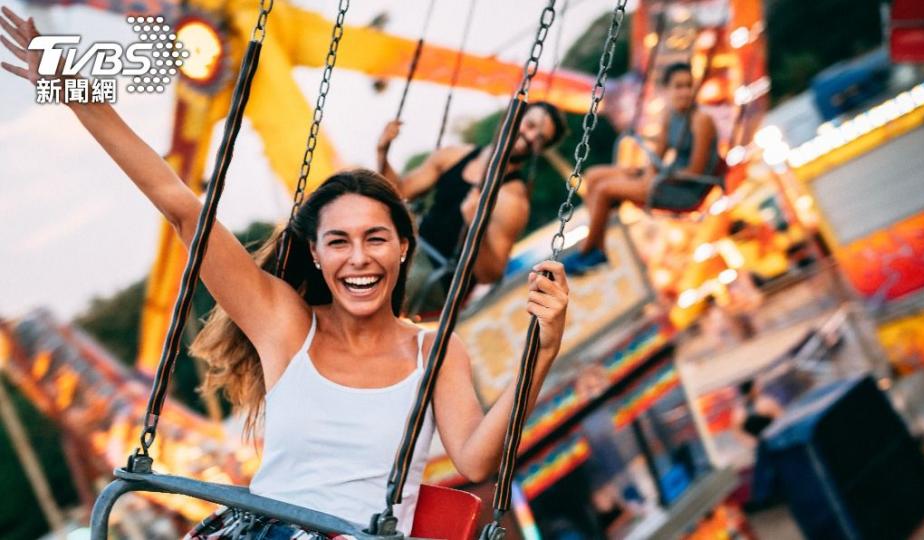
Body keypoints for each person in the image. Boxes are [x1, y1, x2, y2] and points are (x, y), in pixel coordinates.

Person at [1, 8, 570, 538]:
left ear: (402, 248)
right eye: (338, 242)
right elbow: (180, 206)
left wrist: (540, 354)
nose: (359, 258)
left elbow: (473, 459)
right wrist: (74, 91)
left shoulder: (435, 351)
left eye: (376, 239)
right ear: (317, 256)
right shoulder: (285, 324)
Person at [377, 101, 567, 315]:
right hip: (415, 248)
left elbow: (491, 274)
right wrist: (383, 152)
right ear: (513, 118)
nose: (530, 138)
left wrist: (475, 227)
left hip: (440, 278)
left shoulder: (512, 200)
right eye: (530, 125)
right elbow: (399, 192)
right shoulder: (452, 155)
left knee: (389, 280)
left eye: (540, 139)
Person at [562, 62, 721, 276]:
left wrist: (650, 179)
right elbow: (658, 155)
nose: (684, 92)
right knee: (593, 175)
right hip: (667, 176)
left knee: (603, 189)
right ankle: (601, 232)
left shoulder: (701, 121)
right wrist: (642, 173)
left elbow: (695, 172)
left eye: (688, 85)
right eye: (678, 86)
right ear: (666, 90)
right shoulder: (670, 115)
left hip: (687, 190)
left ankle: (590, 251)